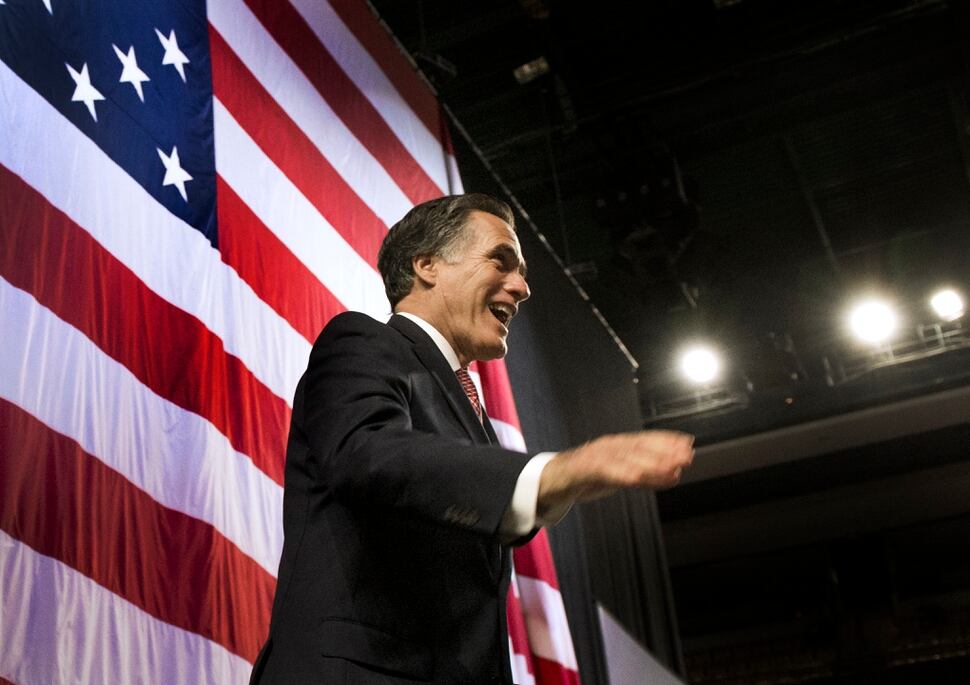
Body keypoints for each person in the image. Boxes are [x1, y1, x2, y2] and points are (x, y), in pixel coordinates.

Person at [250, 193, 694, 684]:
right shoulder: (363, 342)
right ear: (427, 265)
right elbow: (368, 454)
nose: (522, 287)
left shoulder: (470, 414)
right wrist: (559, 471)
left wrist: (562, 485)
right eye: (500, 261)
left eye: (521, 272)